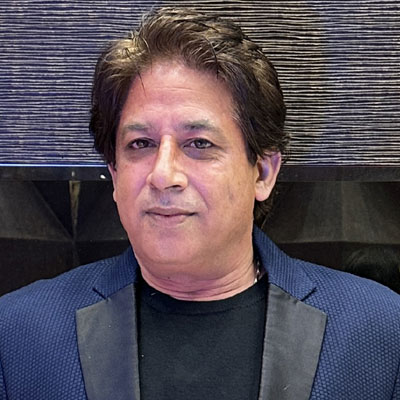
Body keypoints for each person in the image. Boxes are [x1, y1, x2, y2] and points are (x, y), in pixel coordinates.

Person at [0, 6, 399, 400]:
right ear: (115, 173)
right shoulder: (19, 336)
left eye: (199, 144)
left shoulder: (379, 330)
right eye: (141, 144)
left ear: (262, 172)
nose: (163, 174)